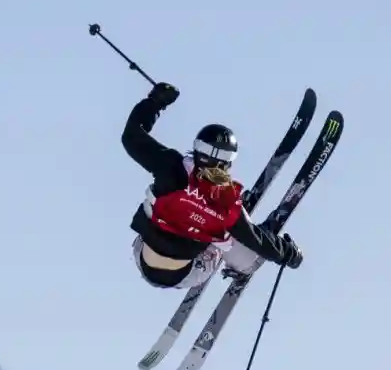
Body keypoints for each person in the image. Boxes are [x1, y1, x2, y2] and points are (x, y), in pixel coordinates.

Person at [122, 81, 303, 290]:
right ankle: (243, 268)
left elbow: (131, 136)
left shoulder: (170, 165)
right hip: (185, 276)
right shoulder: (225, 202)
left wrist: (155, 102)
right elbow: (257, 240)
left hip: (143, 260)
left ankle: (212, 229)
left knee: (162, 210)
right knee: (229, 234)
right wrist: (288, 254)